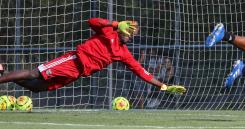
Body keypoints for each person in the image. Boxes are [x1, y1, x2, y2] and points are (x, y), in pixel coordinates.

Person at [0, 18, 186, 96]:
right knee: (34, 74)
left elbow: (141, 72)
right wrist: (114, 23)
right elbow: (92, 22)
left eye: (133, 35)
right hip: (73, 60)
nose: (132, 37)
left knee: (37, 88)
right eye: (130, 33)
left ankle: (3, 71)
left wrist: (163, 86)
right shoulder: (108, 32)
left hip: (77, 73)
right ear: (122, 30)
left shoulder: (123, 52)